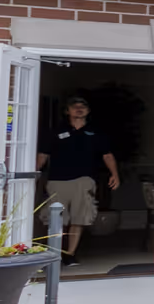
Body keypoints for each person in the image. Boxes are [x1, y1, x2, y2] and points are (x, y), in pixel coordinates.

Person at [37, 95, 120, 262]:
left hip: (84, 180)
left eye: (82, 106)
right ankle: (54, 253)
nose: (78, 109)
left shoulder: (96, 132)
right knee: (56, 218)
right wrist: (33, 173)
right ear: (67, 111)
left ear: (88, 111)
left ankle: (70, 254)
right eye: (74, 106)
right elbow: (43, 155)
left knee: (79, 218)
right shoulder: (55, 131)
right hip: (58, 180)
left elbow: (107, 155)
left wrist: (115, 174)